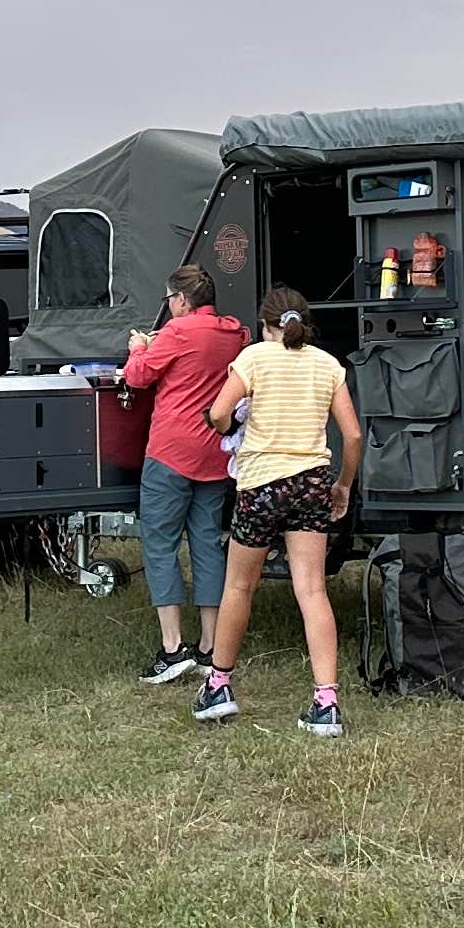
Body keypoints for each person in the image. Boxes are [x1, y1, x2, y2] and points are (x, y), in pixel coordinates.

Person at [197, 286, 366, 737]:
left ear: (264, 325)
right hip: (311, 482)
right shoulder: (328, 365)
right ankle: (326, 701)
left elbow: (216, 413)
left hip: (261, 484)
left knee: (239, 585)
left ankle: (219, 686)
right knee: (312, 590)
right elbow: (351, 436)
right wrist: (343, 485)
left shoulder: (253, 359)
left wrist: (230, 423)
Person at [117, 264, 244, 687]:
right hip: (215, 453)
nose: (168, 307)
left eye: (170, 299)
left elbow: (138, 377)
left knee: (159, 545)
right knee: (208, 543)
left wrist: (138, 347)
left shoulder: (175, 333)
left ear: (183, 300)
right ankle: (210, 649)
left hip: (171, 453)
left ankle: (173, 649)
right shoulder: (234, 333)